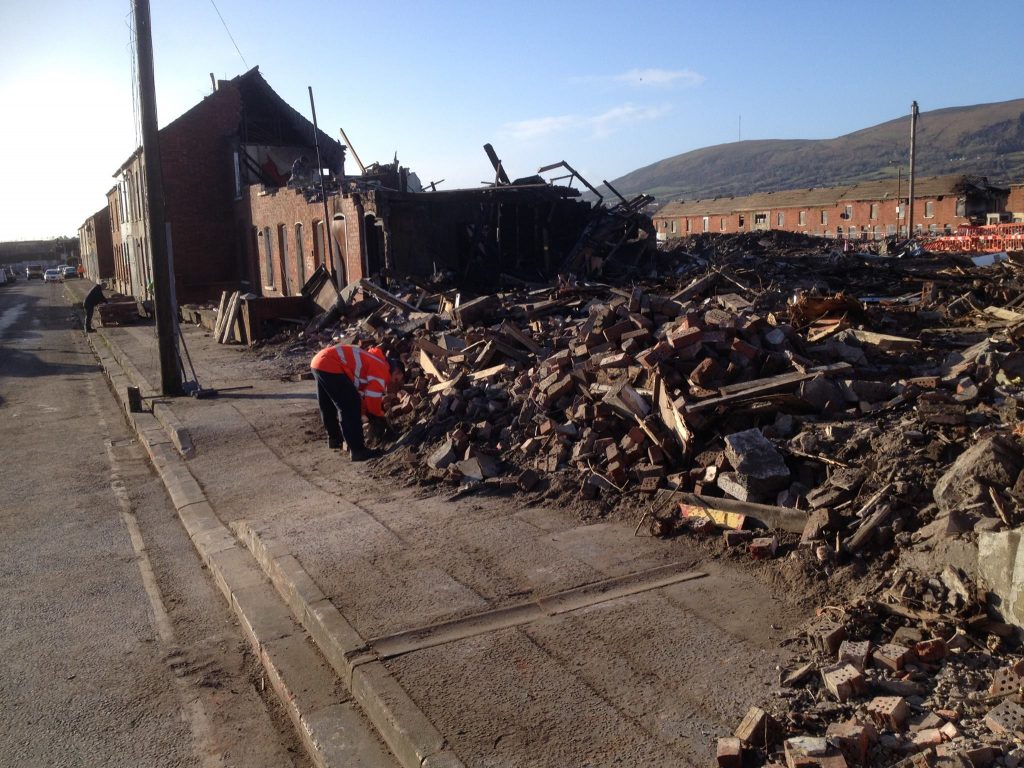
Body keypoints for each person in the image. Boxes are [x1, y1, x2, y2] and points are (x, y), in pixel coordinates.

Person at [310, 344, 404, 461]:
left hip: (319, 361)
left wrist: (364, 412)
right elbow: (372, 400)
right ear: (396, 371)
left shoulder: (374, 360)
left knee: (327, 403)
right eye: (396, 380)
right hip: (330, 363)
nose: (393, 384)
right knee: (349, 405)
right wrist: (380, 417)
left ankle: (334, 439)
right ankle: (358, 451)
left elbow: (362, 396)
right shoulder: (382, 371)